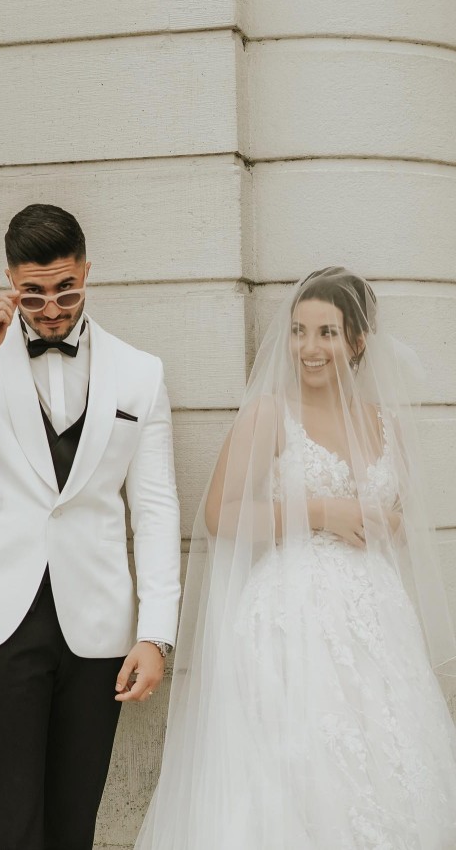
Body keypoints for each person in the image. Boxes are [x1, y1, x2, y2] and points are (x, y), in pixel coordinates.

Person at [135, 267, 456, 849]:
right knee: (299, 769)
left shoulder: (385, 422)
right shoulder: (269, 413)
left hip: (376, 623)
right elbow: (221, 512)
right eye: (299, 331)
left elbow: (400, 515)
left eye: (326, 332)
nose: (309, 348)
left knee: (384, 763)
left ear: (357, 341)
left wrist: (386, 522)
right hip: (292, 617)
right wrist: (322, 512)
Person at [0, 204, 181, 850]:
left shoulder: (141, 372)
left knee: (73, 824)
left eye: (66, 290)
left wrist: (156, 634)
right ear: (9, 281)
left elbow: (156, 507)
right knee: (8, 824)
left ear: (87, 273)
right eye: (34, 293)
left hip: (97, 625)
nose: (52, 309)